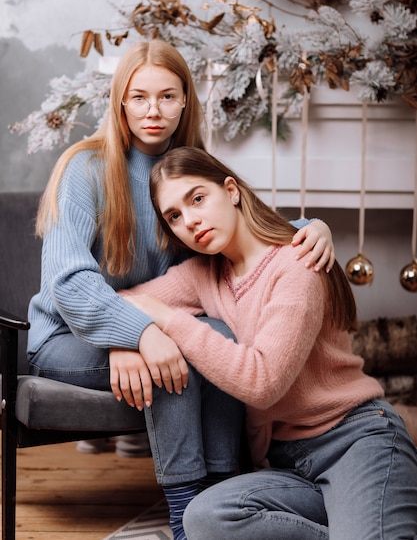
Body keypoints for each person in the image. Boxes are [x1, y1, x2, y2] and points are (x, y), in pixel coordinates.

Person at [27, 39, 335, 540]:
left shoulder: (188, 167)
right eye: (140, 97)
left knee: (217, 335)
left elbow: (248, 224)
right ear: (120, 102)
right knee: (184, 349)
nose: (154, 110)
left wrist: (312, 226)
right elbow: (71, 286)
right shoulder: (85, 168)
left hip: (146, 318)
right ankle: (184, 512)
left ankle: (221, 493)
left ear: (186, 100)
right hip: (68, 336)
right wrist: (136, 336)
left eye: (168, 96)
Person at [116, 146, 417, 540]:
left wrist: (169, 320)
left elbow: (263, 382)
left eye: (198, 199)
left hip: (356, 441)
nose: (190, 220)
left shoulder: (297, 262)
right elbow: (122, 300)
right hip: (287, 464)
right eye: (174, 216)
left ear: (232, 190)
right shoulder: (203, 275)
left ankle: (376, 508)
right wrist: (127, 338)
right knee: (205, 517)